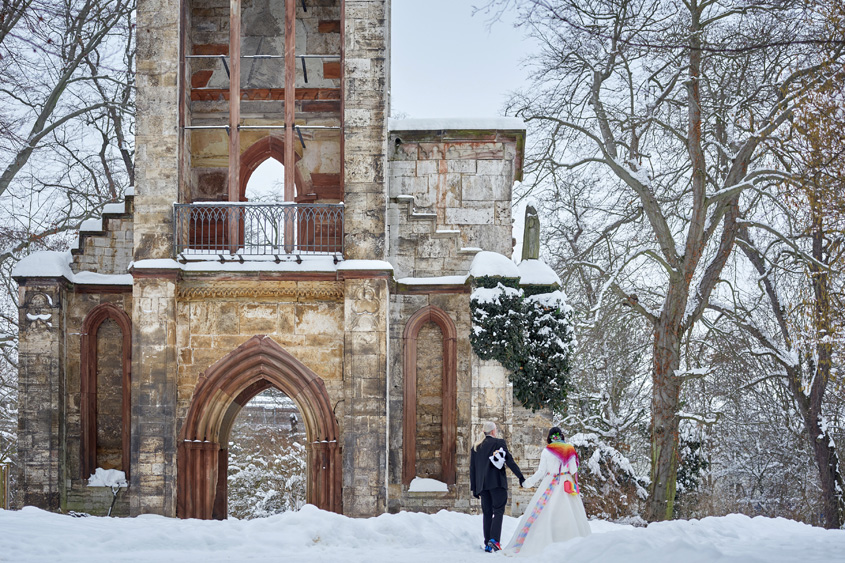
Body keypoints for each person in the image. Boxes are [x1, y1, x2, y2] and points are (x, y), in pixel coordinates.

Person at [504, 427, 591, 555]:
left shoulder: (547, 451)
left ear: (550, 437)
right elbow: (573, 470)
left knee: (542, 511)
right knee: (571, 512)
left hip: (550, 482)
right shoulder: (569, 449)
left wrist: (527, 483)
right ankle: (575, 546)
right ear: (561, 436)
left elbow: (541, 472)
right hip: (566, 482)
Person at [470, 421, 525, 552]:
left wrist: (474, 488)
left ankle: (488, 543)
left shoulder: (476, 447)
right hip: (497, 483)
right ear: (493, 431)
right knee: (498, 511)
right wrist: (521, 477)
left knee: (487, 513)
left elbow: (473, 468)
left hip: (482, 486)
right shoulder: (498, 443)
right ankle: (494, 540)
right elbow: (509, 461)